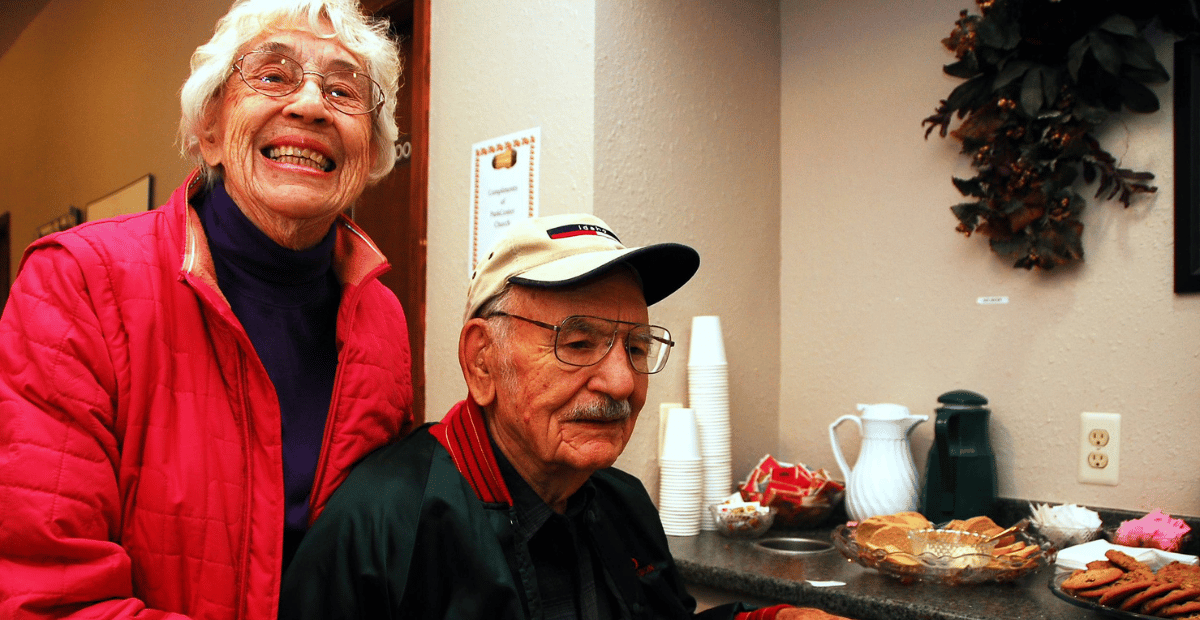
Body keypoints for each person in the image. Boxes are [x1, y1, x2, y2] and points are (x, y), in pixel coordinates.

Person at [0, 1, 414, 618]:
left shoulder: (380, 316)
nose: (309, 104)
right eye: (272, 75)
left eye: (343, 88)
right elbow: (48, 595)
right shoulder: (78, 283)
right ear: (211, 131)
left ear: (372, 152)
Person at [278, 214, 847, 620]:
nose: (622, 382)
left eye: (637, 348)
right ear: (482, 361)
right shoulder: (381, 525)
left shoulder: (622, 501)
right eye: (577, 342)